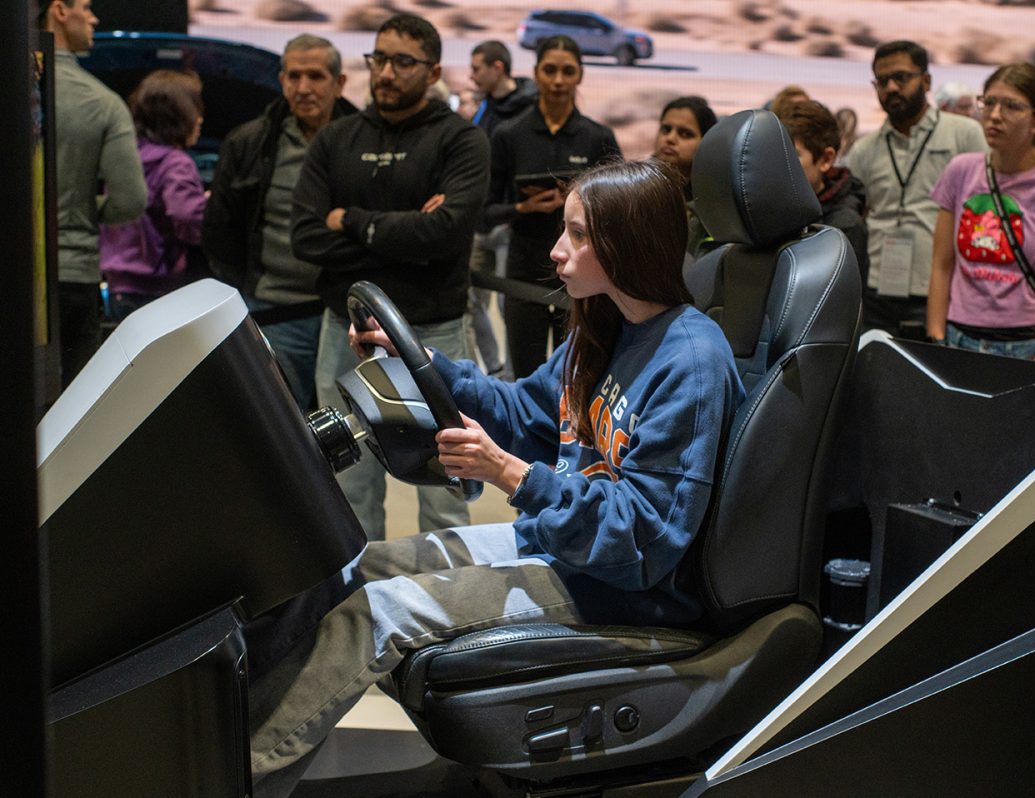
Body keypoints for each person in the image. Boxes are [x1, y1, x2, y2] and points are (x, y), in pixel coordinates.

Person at [247, 159, 744, 797]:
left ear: (630, 244)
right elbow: (521, 412)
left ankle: (248, 772)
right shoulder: (602, 328)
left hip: (621, 589)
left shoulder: (691, 360)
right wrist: (423, 363)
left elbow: (644, 540)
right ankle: (231, 724)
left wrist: (509, 473)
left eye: (580, 235)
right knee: (350, 566)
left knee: (375, 614)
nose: (559, 251)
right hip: (559, 549)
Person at [290, 13, 489, 539]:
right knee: (347, 478)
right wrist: (408, 236)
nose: (386, 72)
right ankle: (360, 593)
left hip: (432, 333)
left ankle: (450, 610)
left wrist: (351, 221)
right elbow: (307, 238)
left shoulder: (461, 141)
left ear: (432, 70)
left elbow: (444, 236)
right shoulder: (336, 139)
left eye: (403, 61)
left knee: (449, 476)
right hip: (346, 332)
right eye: (379, 59)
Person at [203, 35, 355, 411]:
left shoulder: (361, 141)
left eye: (316, 76)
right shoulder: (250, 142)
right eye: (294, 76)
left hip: (342, 315)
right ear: (282, 80)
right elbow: (220, 227)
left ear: (339, 83)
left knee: (352, 429)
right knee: (282, 424)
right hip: (273, 310)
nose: (304, 88)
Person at [926, 63, 1035, 364]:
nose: (995, 115)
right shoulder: (961, 170)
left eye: (1011, 106)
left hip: (1025, 344)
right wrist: (937, 338)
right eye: (988, 102)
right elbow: (941, 264)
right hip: (958, 339)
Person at [485, 35, 622, 379]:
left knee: (580, 379)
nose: (558, 80)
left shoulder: (598, 137)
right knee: (526, 378)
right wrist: (522, 207)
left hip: (584, 276)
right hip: (523, 272)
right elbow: (484, 213)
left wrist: (579, 207)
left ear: (580, 76)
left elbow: (619, 211)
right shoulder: (508, 135)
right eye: (550, 70)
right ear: (536, 74)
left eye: (567, 71)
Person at [845, 40, 987, 340]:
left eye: (901, 77)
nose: (892, 88)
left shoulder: (965, 135)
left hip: (940, 291)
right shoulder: (864, 150)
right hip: (876, 292)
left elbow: (985, 213)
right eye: (882, 81)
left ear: (926, 80)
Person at [40, 0, 147, 384]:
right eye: (86, 7)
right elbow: (131, 200)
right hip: (71, 274)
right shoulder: (101, 102)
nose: (95, 18)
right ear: (59, 10)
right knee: (70, 409)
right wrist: (83, 206)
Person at [99, 70, 206, 320]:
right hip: (156, 289)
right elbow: (187, 215)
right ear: (181, 116)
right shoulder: (176, 163)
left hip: (117, 285)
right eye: (196, 108)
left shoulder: (127, 157)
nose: (200, 119)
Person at [466, 40, 539, 379]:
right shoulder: (485, 109)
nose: (472, 75)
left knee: (509, 307)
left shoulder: (528, 109)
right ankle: (492, 369)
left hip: (511, 223)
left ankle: (511, 380)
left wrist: (516, 209)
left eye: (477, 68)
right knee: (468, 298)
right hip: (479, 221)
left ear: (498, 68)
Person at [781, 100, 869, 282]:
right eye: (778, 154)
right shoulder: (777, 208)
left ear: (825, 159)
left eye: (793, 155)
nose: (781, 164)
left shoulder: (844, 227)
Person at [653, 95, 718, 258]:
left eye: (685, 134)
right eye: (666, 129)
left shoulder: (714, 201)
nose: (670, 138)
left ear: (706, 142)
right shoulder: (636, 186)